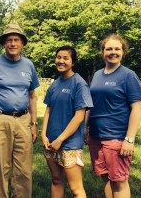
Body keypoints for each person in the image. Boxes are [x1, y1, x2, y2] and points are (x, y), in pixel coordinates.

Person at [0, 23, 40, 198]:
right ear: (4, 43)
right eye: (9, 40)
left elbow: (32, 96)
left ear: (22, 44)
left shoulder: (28, 65)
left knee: (24, 171)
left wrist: (34, 124)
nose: (12, 43)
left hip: (23, 120)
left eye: (16, 40)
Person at [85, 34, 141, 198]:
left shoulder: (128, 75)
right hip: (96, 136)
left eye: (117, 49)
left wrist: (129, 139)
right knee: (106, 179)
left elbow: (137, 108)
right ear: (102, 52)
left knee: (119, 182)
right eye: (109, 48)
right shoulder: (97, 75)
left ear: (123, 52)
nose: (113, 52)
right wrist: (85, 127)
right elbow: (91, 104)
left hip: (116, 137)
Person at [41, 46, 93, 198]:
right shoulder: (55, 84)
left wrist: (61, 139)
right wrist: (44, 135)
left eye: (65, 58)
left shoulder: (79, 84)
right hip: (50, 142)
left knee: (76, 189)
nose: (61, 61)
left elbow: (79, 116)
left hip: (69, 144)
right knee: (56, 181)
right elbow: (48, 110)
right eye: (58, 57)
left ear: (73, 62)